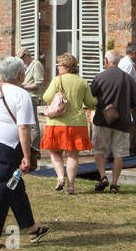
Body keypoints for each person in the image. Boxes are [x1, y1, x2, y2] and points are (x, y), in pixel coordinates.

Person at [0, 56, 49, 249]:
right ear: (20, 74)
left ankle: (32, 229)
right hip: (7, 145)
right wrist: (27, 156)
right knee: (4, 188)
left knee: (14, 187)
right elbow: (24, 127)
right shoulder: (21, 94)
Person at [41, 52, 97, 195]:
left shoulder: (57, 80)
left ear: (66, 66)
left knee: (54, 152)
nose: (58, 67)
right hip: (77, 124)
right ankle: (71, 186)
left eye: (59, 65)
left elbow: (46, 97)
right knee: (72, 156)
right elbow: (90, 103)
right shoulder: (82, 82)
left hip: (56, 123)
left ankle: (60, 176)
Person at [90, 49, 136, 193]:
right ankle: (114, 184)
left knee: (99, 150)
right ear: (118, 61)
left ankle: (103, 177)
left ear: (106, 61)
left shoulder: (100, 77)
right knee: (119, 153)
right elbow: (135, 102)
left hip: (102, 120)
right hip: (122, 122)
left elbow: (91, 97)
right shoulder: (128, 79)